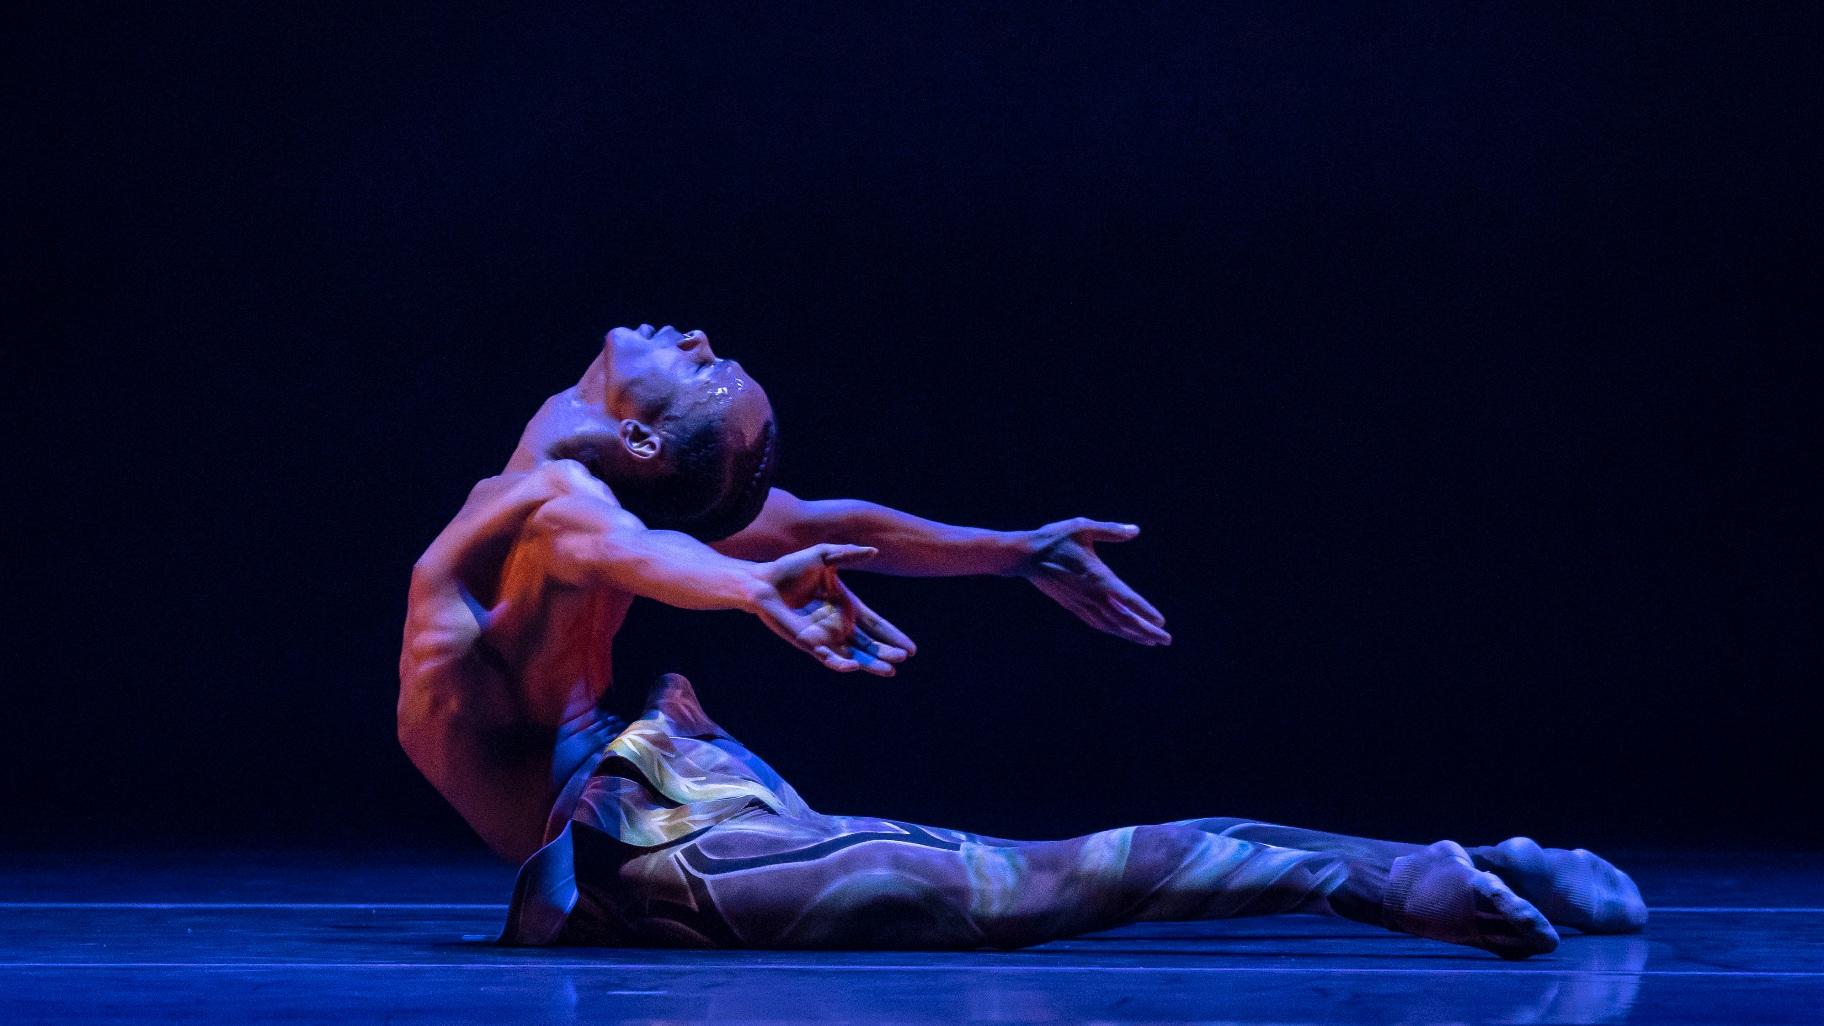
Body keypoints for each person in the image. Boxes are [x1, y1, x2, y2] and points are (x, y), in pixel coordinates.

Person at [398, 324, 1646, 958]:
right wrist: (751, 588)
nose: (705, 346)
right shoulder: (560, 505)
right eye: (715, 371)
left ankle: (1411, 876)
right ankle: (1445, 865)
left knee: (1027, 889)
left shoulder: (562, 506)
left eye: (712, 371)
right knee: (1019, 883)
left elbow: (690, 545)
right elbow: (714, 542)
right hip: (655, 822)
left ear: (646, 448)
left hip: (657, 849)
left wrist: (1007, 547)